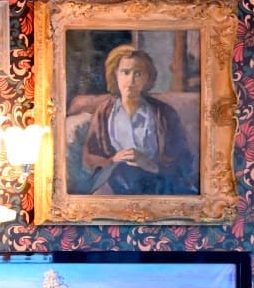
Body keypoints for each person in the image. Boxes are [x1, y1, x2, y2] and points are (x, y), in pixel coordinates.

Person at [77, 44, 192, 195]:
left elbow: (182, 157)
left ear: (147, 78)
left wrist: (150, 165)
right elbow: (90, 156)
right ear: (115, 75)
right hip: (115, 182)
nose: (131, 80)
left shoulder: (164, 113)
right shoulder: (104, 112)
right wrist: (112, 160)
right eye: (125, 72)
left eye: (138, 74)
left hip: (155, 183)